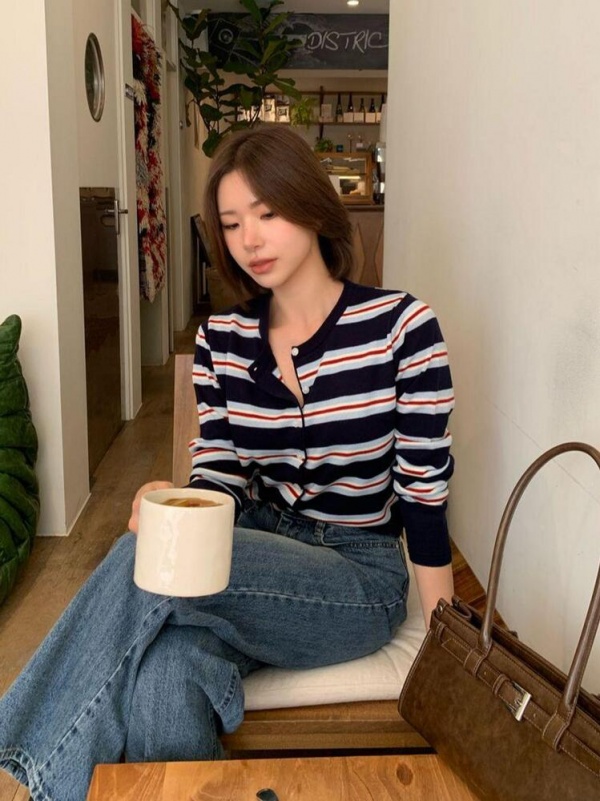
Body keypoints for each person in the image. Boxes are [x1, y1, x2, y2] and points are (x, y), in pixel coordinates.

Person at [0, 126, 454, 800]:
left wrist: (444, 645)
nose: (250, 240)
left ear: (312, 206)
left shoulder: (401, 328)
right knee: (167, 672)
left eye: (267, 214)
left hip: (358, 576)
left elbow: (424, 493)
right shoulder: (223, 338)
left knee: (146, 558)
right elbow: (221, 471)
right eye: (233, 223)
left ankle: (34, 771)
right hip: (256, 554)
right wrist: (177, 504)